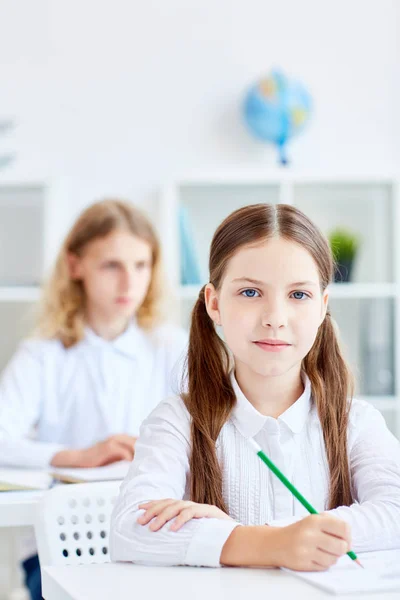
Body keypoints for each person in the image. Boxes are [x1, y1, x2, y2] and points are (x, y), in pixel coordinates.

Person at [111, 203, 400, 571]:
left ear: (323, 306)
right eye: (250, 293)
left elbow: (395, 512)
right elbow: (129, 530)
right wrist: (272, 544)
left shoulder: (356, 422)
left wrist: (258, 536)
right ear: (214, 303)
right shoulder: (177, 421)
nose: (274, 319)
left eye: (298, 295)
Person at [0, 199, 187, 599]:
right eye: (111, 266)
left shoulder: (172, 348)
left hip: (156, 542)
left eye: (141, 265)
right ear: (75, 266)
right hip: (60, 548)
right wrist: (77, 456)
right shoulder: (42, 354)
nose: (129, 283)